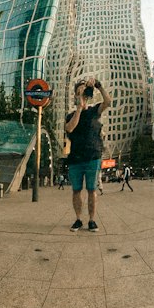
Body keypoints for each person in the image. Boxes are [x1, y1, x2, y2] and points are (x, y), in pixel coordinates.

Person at [66, 76, 110, 231]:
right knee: (76, 190)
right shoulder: (71, 115)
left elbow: (108, 102)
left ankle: (92, 220)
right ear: (75, 96)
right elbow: (70, 128)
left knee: (91, 189)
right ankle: (78, 219)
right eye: (78, 93)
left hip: (92, 156)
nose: (82, 95)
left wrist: (98, 85)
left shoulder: (94, 111)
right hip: (75, 159)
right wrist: (79, 108)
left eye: (84, 93)